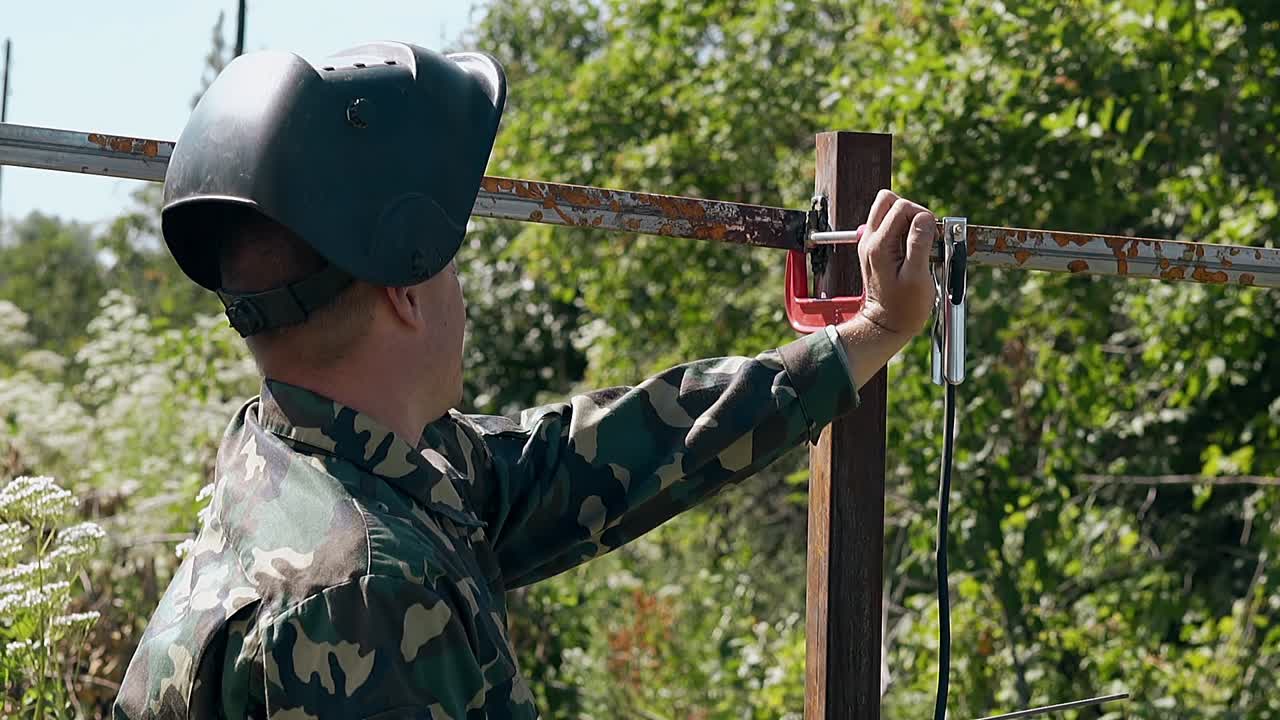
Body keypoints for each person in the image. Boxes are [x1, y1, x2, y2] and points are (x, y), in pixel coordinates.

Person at [113, 41, 937, 719]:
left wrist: (868, 334)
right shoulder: (362, 595)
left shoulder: (315, 462)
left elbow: (609, 454)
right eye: (450, 259)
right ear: (407, 290)